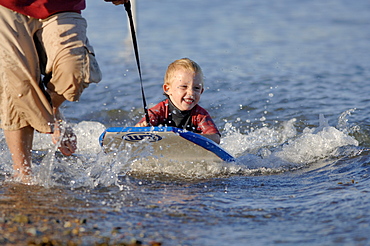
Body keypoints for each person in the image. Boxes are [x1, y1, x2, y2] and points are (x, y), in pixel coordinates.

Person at [0, 0, 129, 183]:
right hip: (8, 5)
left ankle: (51, 111)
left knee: (75, 71)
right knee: (18, 86)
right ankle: (23, 174)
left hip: (62, 5)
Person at [135, 58, 221, 144]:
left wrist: (191, 137)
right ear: (167, 89)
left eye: (196, 88)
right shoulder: (158, 111)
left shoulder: (200, 115)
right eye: (184, 86)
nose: (191, 92)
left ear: (201, 91)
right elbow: (134, 134)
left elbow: (216, 138)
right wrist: (141, 128)